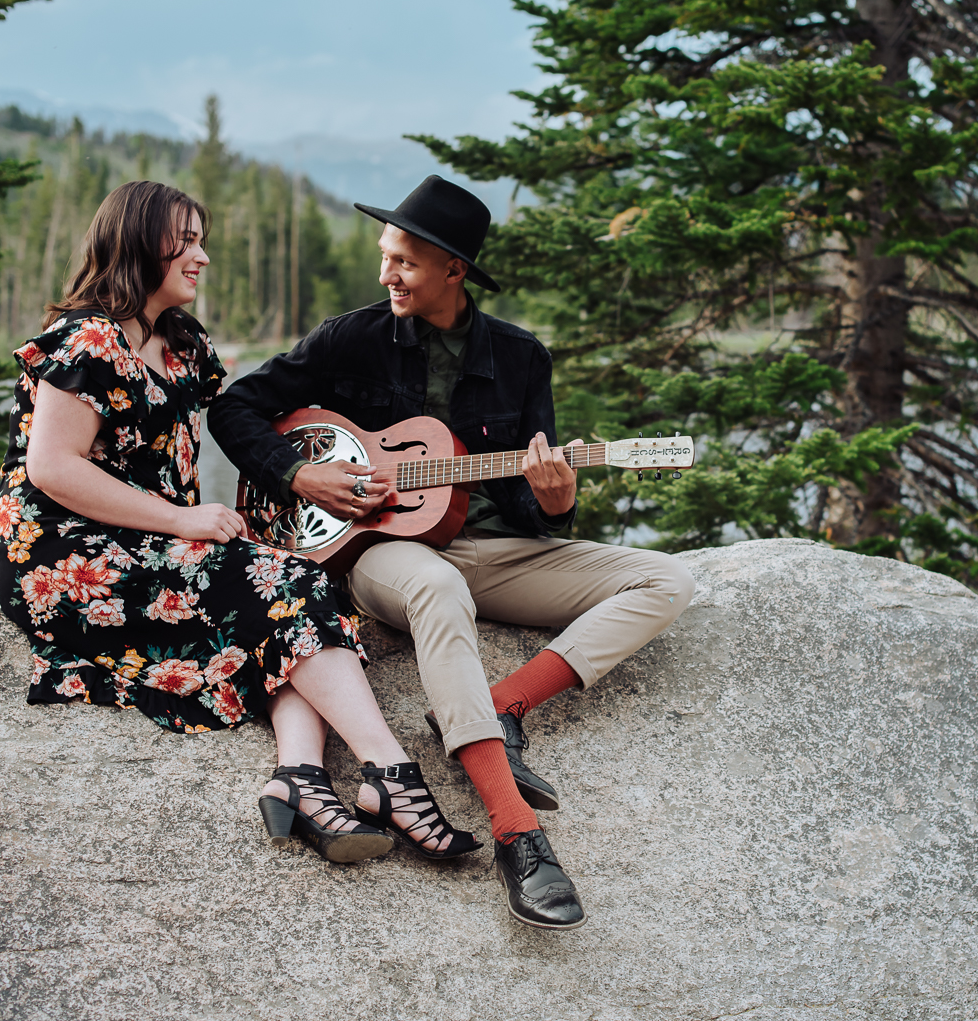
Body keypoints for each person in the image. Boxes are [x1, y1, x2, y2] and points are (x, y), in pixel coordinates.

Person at [209, 175, 695, 930]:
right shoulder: (351, 338)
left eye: (403, 261)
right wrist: (301, 473)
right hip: (378, 556)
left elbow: (537, 506)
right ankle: (517, 833)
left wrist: (559, 498)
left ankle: (500, 704)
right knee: (437, 588)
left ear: (454, 270)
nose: (386, 275)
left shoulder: (522, 358)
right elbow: (234, 407)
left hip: (493, 550)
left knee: (664, 579)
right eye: (384, 256)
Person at [0, 180, 478, 867]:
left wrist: (331, 463)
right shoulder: (84, 340)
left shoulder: (184, 344)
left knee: (293, 582)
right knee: (281, 586)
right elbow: (54, 470)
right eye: (185, 242)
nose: (203, 257)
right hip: (68, 557)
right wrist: (182, 518)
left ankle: (301, 777)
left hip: (157, 541)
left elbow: (260, 411)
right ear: (136, 244)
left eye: (201, 241)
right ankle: (392, 773)